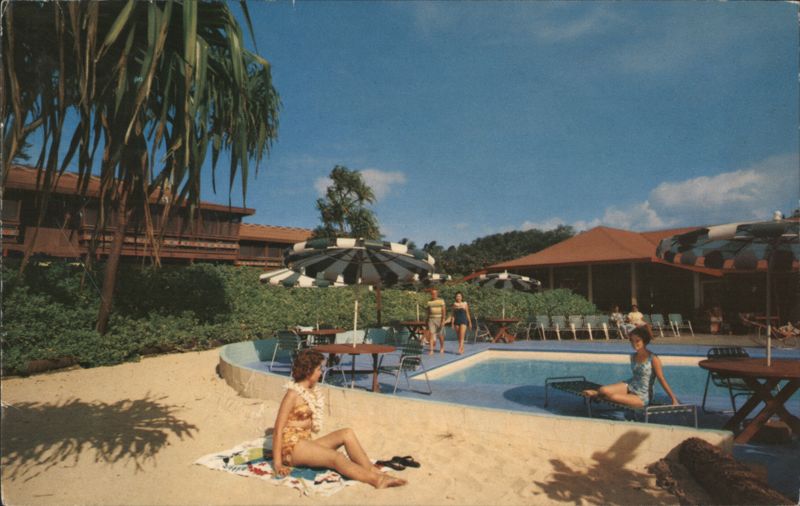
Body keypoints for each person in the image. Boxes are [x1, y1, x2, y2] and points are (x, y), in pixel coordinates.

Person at [272, 350, 407, 488]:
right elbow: (278, 430)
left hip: (305, 443)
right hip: (291, 448)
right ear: (308, 371)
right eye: (319, 369)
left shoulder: (311, 390)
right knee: (336, 457)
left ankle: (372, 470)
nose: (321, 372)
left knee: (346, 433)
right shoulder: (292, 394)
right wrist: (277, 464)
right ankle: (376, 480)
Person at [582, 325, 679, 408]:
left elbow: (661, 379)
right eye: (632, 341)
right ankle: (598, 394)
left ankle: (596, 395)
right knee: (603, 390)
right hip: (631, 385)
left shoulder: (653, 359)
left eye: (638, 341)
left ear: (644, 341)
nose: (634, 343)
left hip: (642, 395)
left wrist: (673, 399)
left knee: (611, 397)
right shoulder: (633, 356)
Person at [425, 288, 447, 355]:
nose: (433, 294)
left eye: (435, 293)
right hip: (431, 320)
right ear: (431, 294)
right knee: (431, 334)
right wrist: (427, 320)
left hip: (439, 319)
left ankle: (442, 347)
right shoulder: (429, 302)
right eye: (432, 293)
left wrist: (443, 320)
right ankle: (431, 350)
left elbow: (444, 311)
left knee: (440, 335)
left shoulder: (441, 301)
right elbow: (428, 312)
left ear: (437, 294)